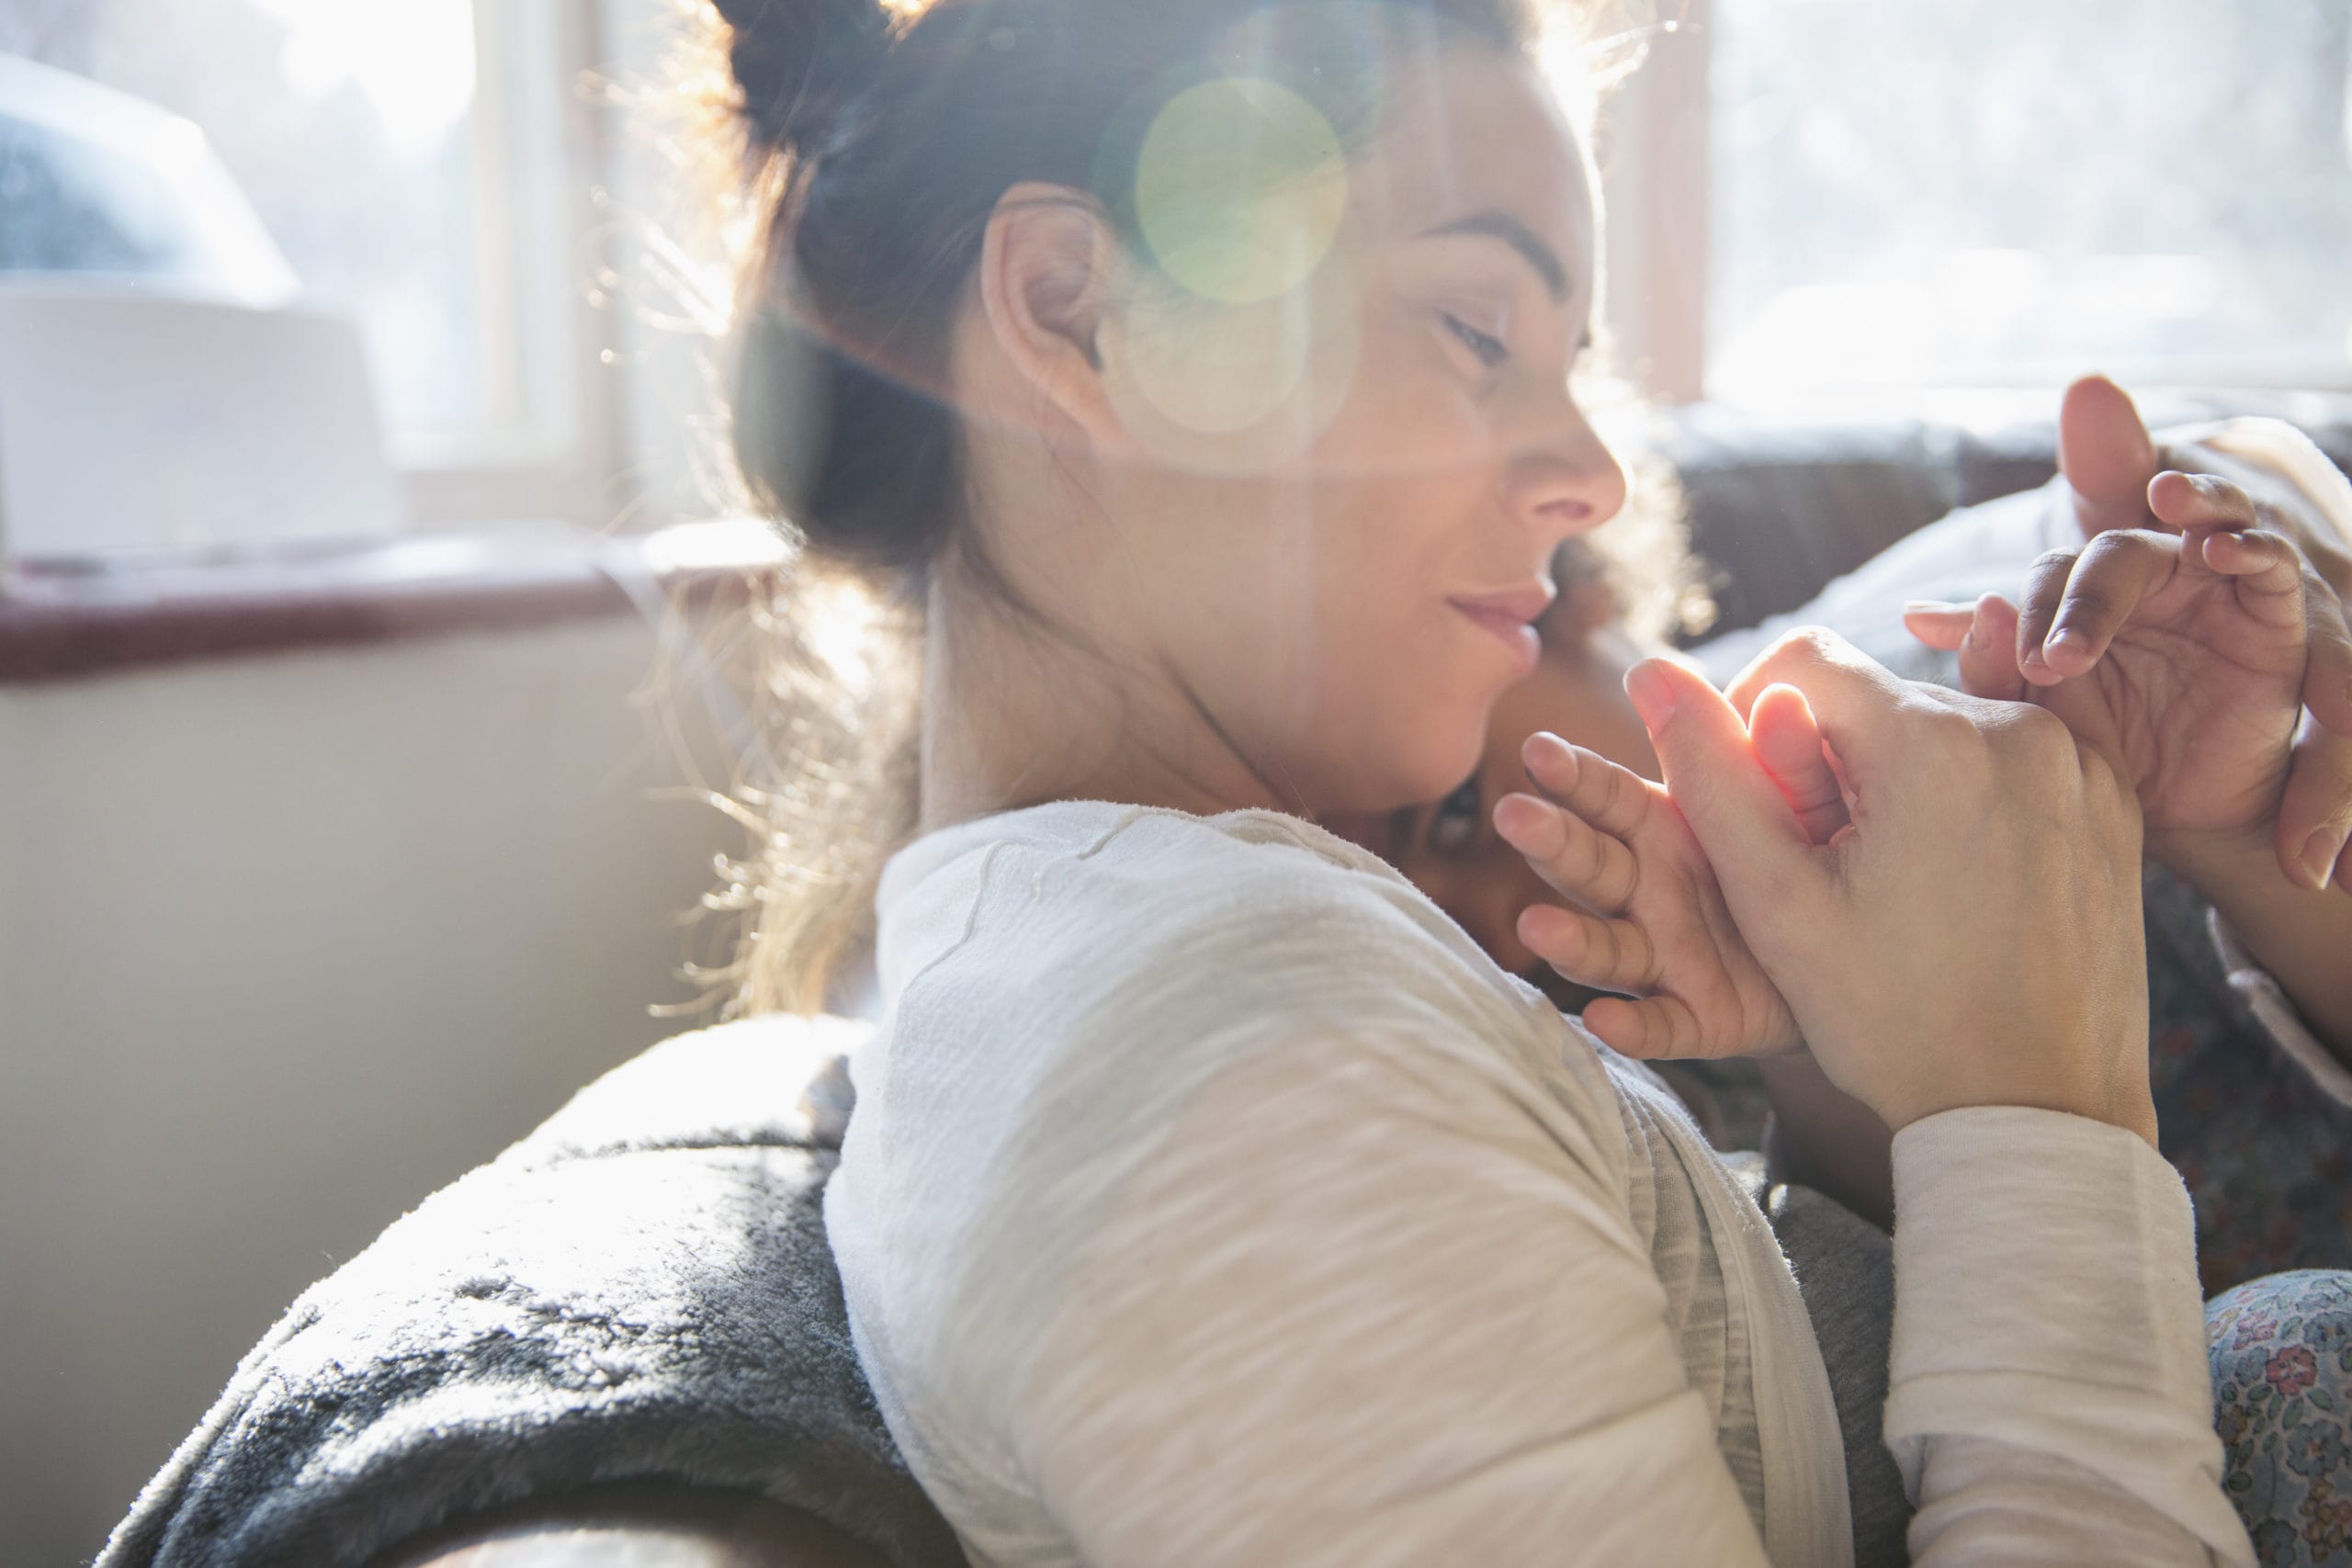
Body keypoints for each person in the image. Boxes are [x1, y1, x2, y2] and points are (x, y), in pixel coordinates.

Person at [700, 0, 2351, 1562]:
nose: (1595, 472)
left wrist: (1852, 1083)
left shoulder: (1187, 962)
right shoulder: (1238, 1060)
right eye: (1477, 324)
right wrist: (2043, 1110)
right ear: (1078, 308)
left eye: (1571, 354)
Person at [1377, 382, 2352, 1276]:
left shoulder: (1913, 639)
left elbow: (2229, 519)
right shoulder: (1644, 1066)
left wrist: (2250, 527)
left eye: (1458, 812)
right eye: (1418, 933)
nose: (1497, 936)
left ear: (1554, 592)